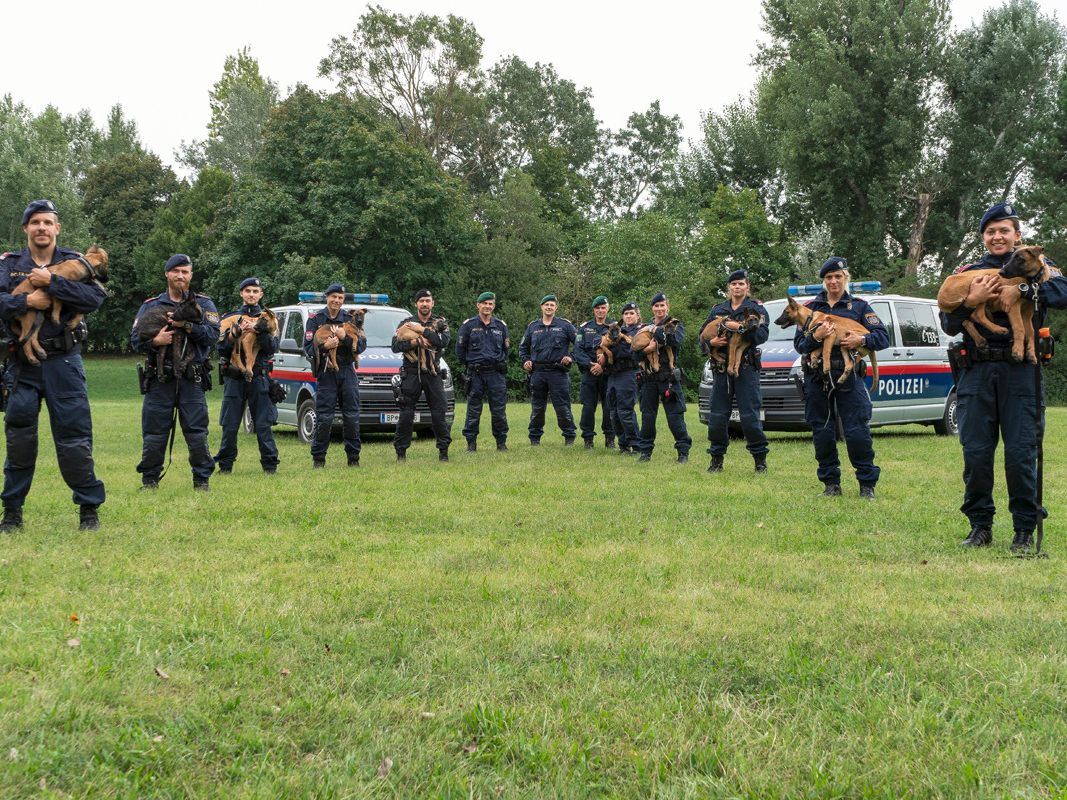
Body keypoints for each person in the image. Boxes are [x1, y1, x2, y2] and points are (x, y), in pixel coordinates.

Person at [940, 202, 1067, 551]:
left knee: (1022, 452)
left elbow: (1063, 292)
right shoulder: (969, 270)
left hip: (1021, 373)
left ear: (1017, 235)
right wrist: (972, 301)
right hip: (977, 371)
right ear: (984, 237)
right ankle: (980, 526)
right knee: (977, 453)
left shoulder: (1037, 264)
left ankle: (1024, 529)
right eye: (991, 231)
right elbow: (949, 323)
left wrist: (1024, 290)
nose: (997, 236)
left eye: (1004, 230)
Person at [0, 199, 106, 532]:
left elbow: (95, 299)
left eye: (48, 222)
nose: (42, 228)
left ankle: (89, 510)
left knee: (75, 437)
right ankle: (12, 513)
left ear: (57, 227)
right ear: (26, 229)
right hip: (21, 364)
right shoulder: (8, 264)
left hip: (64, 362)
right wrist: (26, 301)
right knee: (20, 440)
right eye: (35, 223)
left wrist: (52, 283)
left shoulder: (74, 261)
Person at [795, 257, 888, 499]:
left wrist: (862, 340)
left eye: (838, 276)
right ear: (824, 281)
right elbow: (799, 345)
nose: (834, 281)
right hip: (818, 377)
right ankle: (830, 484)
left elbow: (882, 337)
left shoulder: (859, 307)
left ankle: (867, 485)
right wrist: (815, 338)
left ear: (846, 278)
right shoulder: (812, 308)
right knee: (822, 430)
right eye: (829, 277)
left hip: (849, 377)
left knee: (857, 430)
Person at [133, 254, 220, 491]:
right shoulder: (151, 305)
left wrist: (187, 326)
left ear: (191, 275)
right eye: (175, 271)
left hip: (192, 379)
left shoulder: (204, 304)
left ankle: (202, 481)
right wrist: (155, 341)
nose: (180, 276)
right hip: (159, 379)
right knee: (154, 432)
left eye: (185, 271)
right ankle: (150, 481)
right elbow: (135, 341)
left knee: (196, 432)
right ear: (167, 274)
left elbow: (213, 336)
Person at [700, 269, 770, 473]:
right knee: (718, 416)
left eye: (741, 284)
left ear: (747, 286)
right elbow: (701, 338)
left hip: (746, 368)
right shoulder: (717, 310)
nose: (737, 287)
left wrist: (741, 329)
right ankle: (716, 459)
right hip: (721, 370)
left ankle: (759, 460)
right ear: (728, 288)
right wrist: (711, 342)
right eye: (734, 284)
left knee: (750, 416)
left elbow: (763, 335)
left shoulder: (756, 309)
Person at [214, 277, 280, 474]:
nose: (251, 294)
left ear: (261, 295)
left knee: (263, 423)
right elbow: (221, 349)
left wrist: (259, 331)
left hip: (259, 377)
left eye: (255, 291)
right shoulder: (230, 317)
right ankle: (225, 466)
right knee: (230, 424)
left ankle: (270, 466)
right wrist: (234, 333)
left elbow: (272, 348)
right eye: (248, 291)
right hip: (234, 378)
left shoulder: (269, 317)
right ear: (241, 293)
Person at [304, 283, 367, 468]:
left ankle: (353, 458)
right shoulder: (315, 319)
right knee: (324, 417)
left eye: (340, 297)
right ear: (327, 297)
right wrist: (325, 346)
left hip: (347, 370)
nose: (336, 300)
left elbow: (361, 346)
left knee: (352, 416)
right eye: (333, 297)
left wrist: (345, 338)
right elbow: (308, 348)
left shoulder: (351, 317)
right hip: (326, 371)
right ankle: (319, 459)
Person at [392, 289, 452, 461]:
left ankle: (443, 451)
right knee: (406, 413)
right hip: (411, 372)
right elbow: (395, 346)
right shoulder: (406, 322)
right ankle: (401, 452)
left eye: (427, 300)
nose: (424, 304)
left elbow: (443, 341)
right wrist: (413, 341)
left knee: (439, 411)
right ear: (416, 304)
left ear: (433, 303)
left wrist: (423, 331)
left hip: (433, 372)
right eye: (421, 301)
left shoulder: (440, 322)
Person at [636, 292, 691, 463]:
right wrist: (646, 349)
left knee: (675, 417)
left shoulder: (674, 324)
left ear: (668, 306)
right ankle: (645, 452)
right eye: (656, 306)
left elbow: (675, 341)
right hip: (649, 378)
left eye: (662, 305)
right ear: (652, 308)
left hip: (668, 378)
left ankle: (683, 452)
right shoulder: (644, 328)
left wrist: (656, 332)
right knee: (647, 418)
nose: (659, 309)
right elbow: (635, 354)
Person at [519, 294, 577, 445]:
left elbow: (580, 344)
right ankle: (534, 439)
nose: (549, 307)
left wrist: (571, 357)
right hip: (538, 373)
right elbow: (523, 348)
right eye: (546, 305)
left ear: (556, 307)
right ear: (541, 307)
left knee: (563, 407)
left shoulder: (565, 325)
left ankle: (569, 437)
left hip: (558, 372)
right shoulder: (533, 327)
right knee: (537, 408)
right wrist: (526, 360)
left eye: (552, 305)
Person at [456, 291, 510, 452]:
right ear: (478, 305)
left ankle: (501, 443)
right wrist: (471, 365)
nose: (487, 306)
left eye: (490, 304)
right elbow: (460, 351)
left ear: (493, 306)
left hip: (496, 374)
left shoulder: (500, 326)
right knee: (473, 409)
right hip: (476, 374)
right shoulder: (468, 326)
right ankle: (471, 443)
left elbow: (506, 350)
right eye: (484, 303)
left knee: (499, 410)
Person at [575, 295, 616, 449]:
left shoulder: (614, 327)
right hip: (589, 373)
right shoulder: (584, 328)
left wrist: (603, 365)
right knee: (588, 407)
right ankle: (588, 439)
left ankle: (610, 438)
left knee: (609, 407)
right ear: (594, 310)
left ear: (608, 308)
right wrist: (590, 364)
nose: (600, 310)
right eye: (597, 308)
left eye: (603, 307)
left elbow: (618, 350)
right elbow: (577, 352)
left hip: (609, 374)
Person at [605, 301, 642, 456]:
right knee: (613, 412)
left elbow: (630, 351)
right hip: (613, 374)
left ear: (637, 315)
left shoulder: (641, 330)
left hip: (629, 373)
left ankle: (636, 445)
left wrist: (614, 347)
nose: (628, 316)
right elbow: (599, 343)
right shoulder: (618, 329)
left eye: (631, 313)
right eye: (626, 314)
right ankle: (623, 445)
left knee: (625, 411)